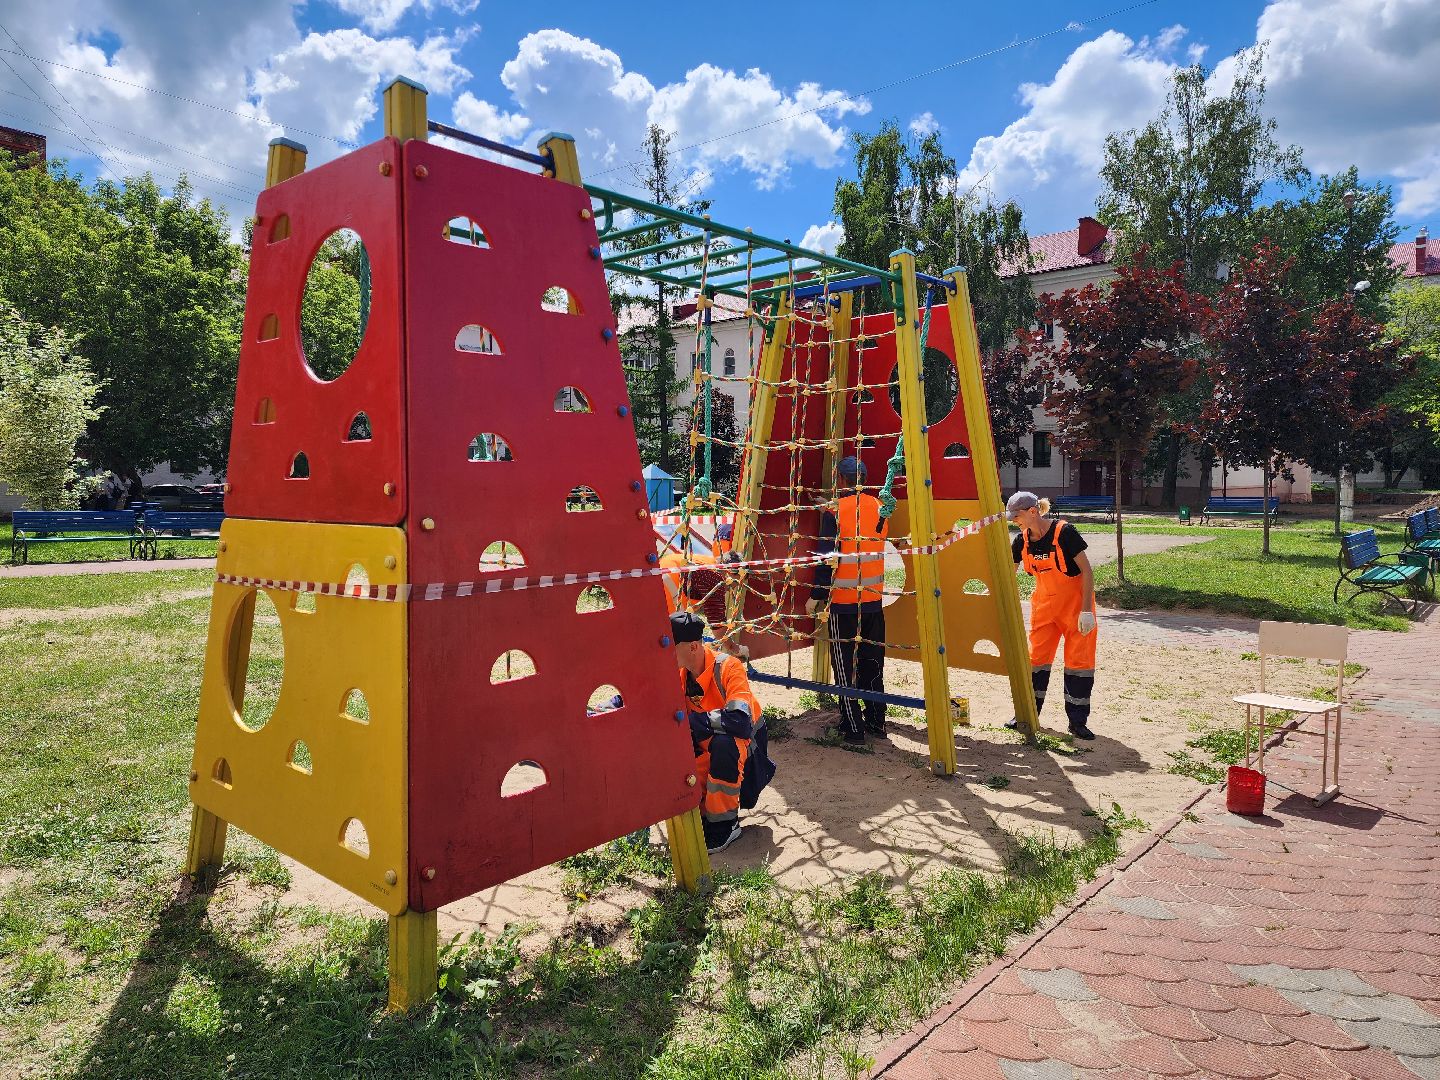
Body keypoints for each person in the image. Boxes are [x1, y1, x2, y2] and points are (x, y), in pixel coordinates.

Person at [671, 611, 774, 853]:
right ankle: (706, 813)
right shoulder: (680, 675)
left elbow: (740, 721)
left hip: (746, 763)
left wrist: (692, 723)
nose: (664, 653)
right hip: (707, 758)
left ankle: (725, 826)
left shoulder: (729, 667)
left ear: (693, 647)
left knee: (724, 744)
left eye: (670, 647)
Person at [806, 455, 888, 745]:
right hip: (874, 602)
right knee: (872, 663)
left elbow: (828, 558)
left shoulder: (834, 512)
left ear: (840, 480)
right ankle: (877, 720)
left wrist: (816, 594)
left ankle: (853, 729)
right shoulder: (881, 507)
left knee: (844, 668)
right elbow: (861, 528)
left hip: (843, 603)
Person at [1007, 491, 1099, 740]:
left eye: (1017, 516)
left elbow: (1088, 572)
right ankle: (1026, 714)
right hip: (1044, 609)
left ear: (1032, 512)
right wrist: (990, 593)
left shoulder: (1065, 533)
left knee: (1079, 665)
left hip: (1076, 610)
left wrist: (1087, 611)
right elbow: (1008, 575)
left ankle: (1077, 722)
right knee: (1035, 662)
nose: (1014, 520)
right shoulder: (1021, 541)